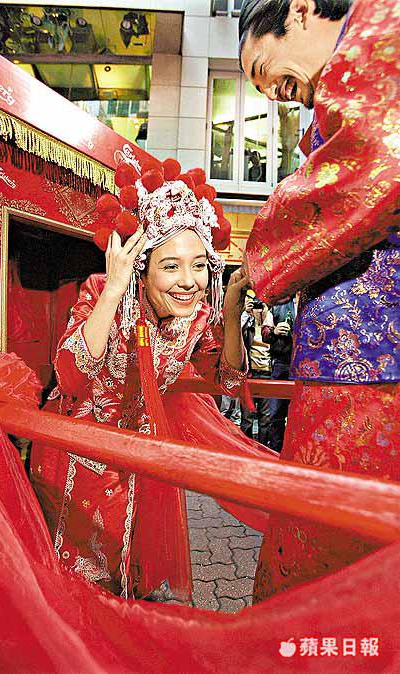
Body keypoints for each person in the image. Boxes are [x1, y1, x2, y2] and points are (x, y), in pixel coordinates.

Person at [31, 158, 275, 602]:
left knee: (129, 578)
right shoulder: (103, 290)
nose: (189, 282)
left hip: (141, 458)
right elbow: (70, 374)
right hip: (79, 454)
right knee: (80, 584)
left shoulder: (198, 315)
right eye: (171, 266)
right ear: (141, 268)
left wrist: (232, 305)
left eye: (199, 266)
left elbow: (227, 379)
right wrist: (113, 288)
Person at [239, 0, 399, 601]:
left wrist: (256, 260)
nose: (271, 94)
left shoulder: (378, 34)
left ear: (301, 11)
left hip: (369, 364)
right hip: (350, 361)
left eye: (263, 68)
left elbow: (373, 160)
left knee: (334, 561)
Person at [261, 299, 296, 452]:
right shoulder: (279, 305)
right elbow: (264, 333)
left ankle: (294, 452)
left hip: (305, 365)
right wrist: (274, 331)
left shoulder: (314, 302)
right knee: (275, 414)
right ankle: (275, 452)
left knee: (299, 414)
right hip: (282, 363)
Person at [240, 292, 271, 445]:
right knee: (247, 417)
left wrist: (268, 318)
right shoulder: (248, 324)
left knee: (266, 418)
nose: (258, 310)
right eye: (256, 306)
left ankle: (263, 449)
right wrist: (245, 313)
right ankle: (246, 449)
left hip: (268, 374)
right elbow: (236, 335)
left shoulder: (271, 325)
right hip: (250, 375)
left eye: (261, 306)